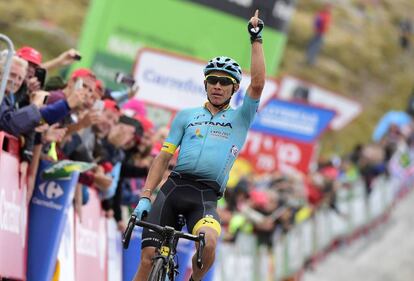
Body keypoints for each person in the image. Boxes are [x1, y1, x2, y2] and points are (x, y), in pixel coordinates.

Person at [131, 10, 265, 281]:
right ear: (205, 84)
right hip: (172, 190)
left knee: (209, 244)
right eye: (213, 80)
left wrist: (256, 39)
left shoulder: (240, 117)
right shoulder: (186, 116)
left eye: (225, 82)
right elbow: (162, 157)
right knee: (146, 259)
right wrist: (146, 196)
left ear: (234, 88)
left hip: (204, 199)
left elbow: (259, 83)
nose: (218, 86)